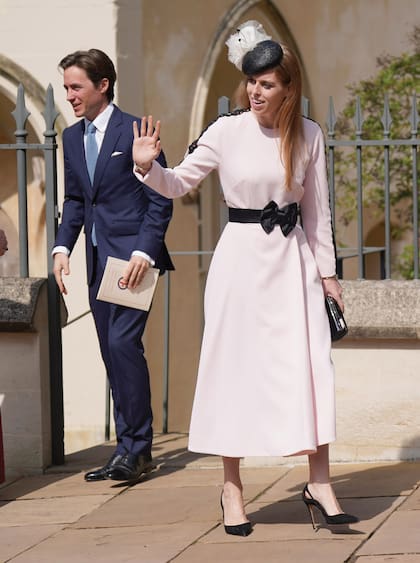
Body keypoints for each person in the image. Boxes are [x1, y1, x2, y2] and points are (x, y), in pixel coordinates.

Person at [131, 21, 358, 535]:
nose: (256, 91)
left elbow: (318, 213)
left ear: (287, 88)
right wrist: (147, 167)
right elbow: (178, 182)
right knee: (232, 369)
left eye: (268, 83)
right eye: (252, 82)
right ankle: (231, 490)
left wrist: (328, 276)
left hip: (293, 263)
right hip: (238, 263)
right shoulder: (226, 130)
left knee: (308, 367)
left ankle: (319, 481)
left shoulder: (310, 135)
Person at [52, 49, 174, 483]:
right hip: (96, 258)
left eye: (76, 86)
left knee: (123, 346)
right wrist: (62, 248)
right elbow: (76, 201)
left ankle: (138, 449)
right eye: (66, 87)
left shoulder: (135, 130)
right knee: (111, 351)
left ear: (103, 85)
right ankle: (128, 449)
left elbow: (161, 199)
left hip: (133, 259)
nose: (69, 95)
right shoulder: (70, 138)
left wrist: (144, 252)